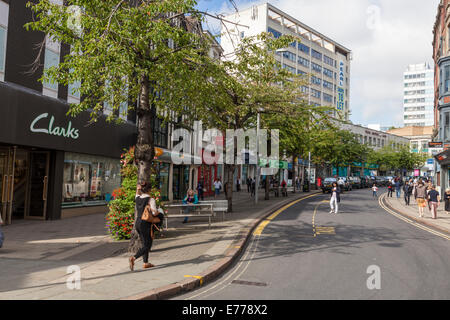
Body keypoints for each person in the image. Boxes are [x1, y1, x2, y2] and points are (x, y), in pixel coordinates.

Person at [129, 182, 160, 271]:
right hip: (145, 223)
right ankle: (133, 258)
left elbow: (137, 193)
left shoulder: (137, 198)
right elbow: (154, 213)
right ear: (150, 189)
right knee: (147, 245)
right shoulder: (151, 200)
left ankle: (145, 263)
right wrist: (157, 212)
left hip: (138, 222)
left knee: (144, 243)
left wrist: (138, 189)